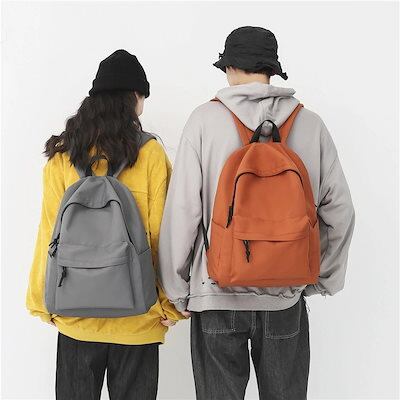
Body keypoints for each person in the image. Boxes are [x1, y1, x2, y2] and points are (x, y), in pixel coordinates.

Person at [158, 26, 356, 399]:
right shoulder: (310, 124)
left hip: (216, 292)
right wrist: (321, 278)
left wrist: (177, 289)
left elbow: (182, 211)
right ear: (271, 69)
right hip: (285, 296)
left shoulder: (204, 121)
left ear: (230, 67)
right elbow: (340, 211)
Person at [26, 49, 183, 400]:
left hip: (75, 315)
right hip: (139, 317)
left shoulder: (64, 154)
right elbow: (162, 234)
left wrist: (42, 300)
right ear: (135, 97)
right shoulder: (149, 153)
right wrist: (169, 304)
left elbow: (49, 232)